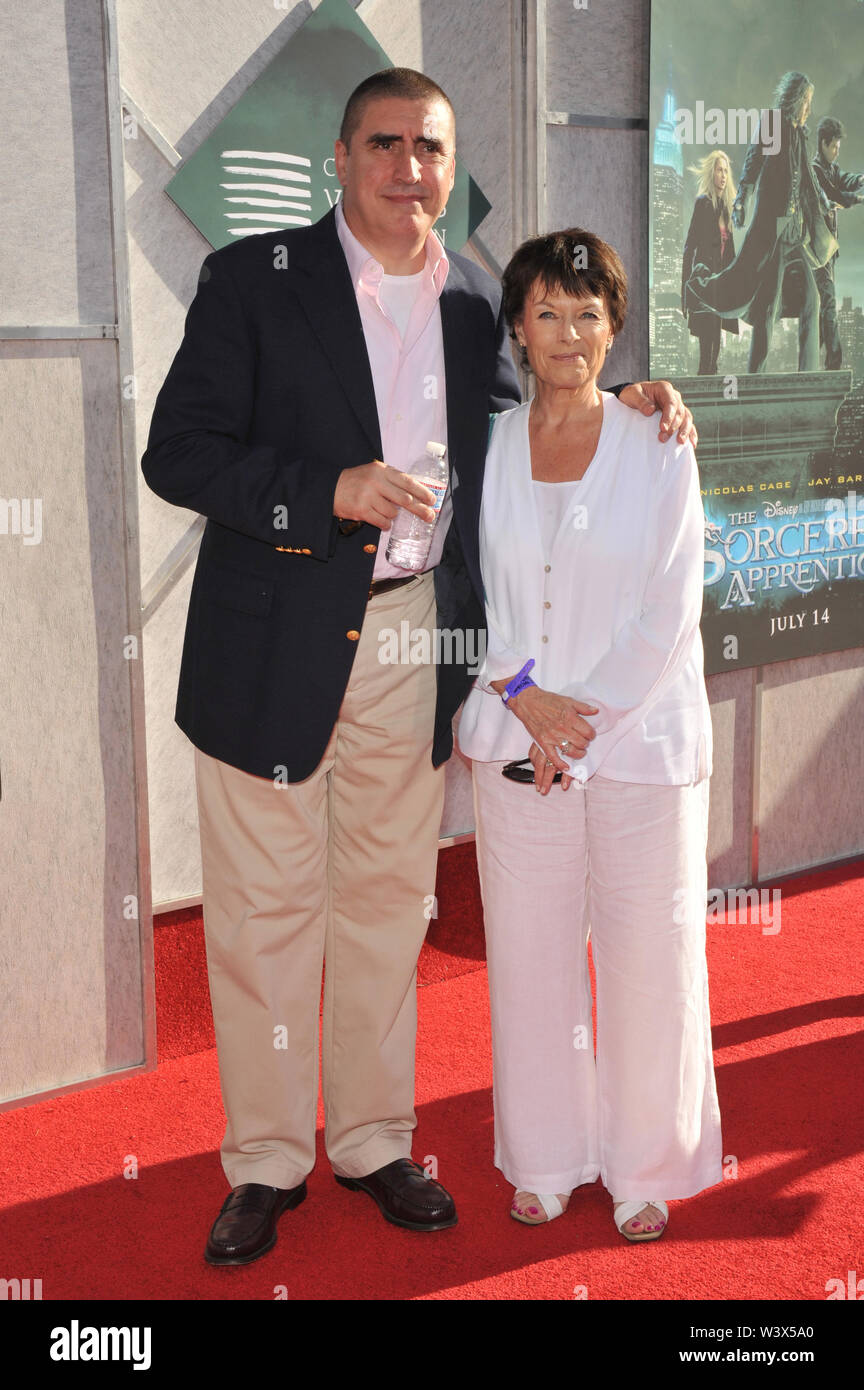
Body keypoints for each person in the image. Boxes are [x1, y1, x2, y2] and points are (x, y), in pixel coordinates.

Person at [141, 66, 696, 1267]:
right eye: (384, 143)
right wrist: (321, 493)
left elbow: (537, 426)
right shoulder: (254, 283)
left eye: (430, 148)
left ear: (452, 169)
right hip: (269, 646)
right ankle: (268, 1160)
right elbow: (177, 453)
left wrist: (637, 399)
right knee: (265, 915)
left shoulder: (469, 309)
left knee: (391, 904)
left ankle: (375, 1140)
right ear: (339, 160)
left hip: (415, 643)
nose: (408, 167)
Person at [458, 227, 722, 1241]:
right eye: (548, 313)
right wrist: (524, 694)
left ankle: (646, 1163)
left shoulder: (657, 442)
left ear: (615, 326)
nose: (569, 332)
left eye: (589, 312)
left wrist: (583, 726)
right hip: (512, 741)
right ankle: (547, 1158)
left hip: (643, 750)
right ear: (519, 330)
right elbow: (464, 590)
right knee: (528, 962)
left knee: (650, 955)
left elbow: (668, 611)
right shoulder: (483, 450)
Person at [685, 72, 837, 374]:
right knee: (767, 305)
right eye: (805, 101)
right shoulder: (773, 125)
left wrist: (824, 200)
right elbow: (753, 164)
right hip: (773, 231)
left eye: (810, 103)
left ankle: (807, 375)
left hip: (795, 234)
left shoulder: (799, 133)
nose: (808, 108)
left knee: (812, 300)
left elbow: (806, 176)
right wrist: (741, 200)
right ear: (794, 99)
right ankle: (756, 375)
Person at [811, 117, 864, 369]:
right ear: (823, 144)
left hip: (828, 249)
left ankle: (812, 358)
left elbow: (845, 178)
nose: (836, 152)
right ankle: (833, 364)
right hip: (817, 248)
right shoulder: (815, 171)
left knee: (824, 304)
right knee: (828, 301)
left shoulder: (831, 169)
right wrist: (858, 198)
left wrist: (861, 179)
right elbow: (832, 196)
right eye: (833, 147)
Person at [681, 151, 739, 374]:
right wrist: (685, 289)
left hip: (722, 283)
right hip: (705, 283)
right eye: (719, 170)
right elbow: (690, 247)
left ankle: (710, 388)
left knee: (716, 345)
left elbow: (730, 252)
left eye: (726, 170)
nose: (723, 175)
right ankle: (705, 391)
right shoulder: (703, 204)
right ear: (711, 173)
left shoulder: (728, 208)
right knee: (709, 342)